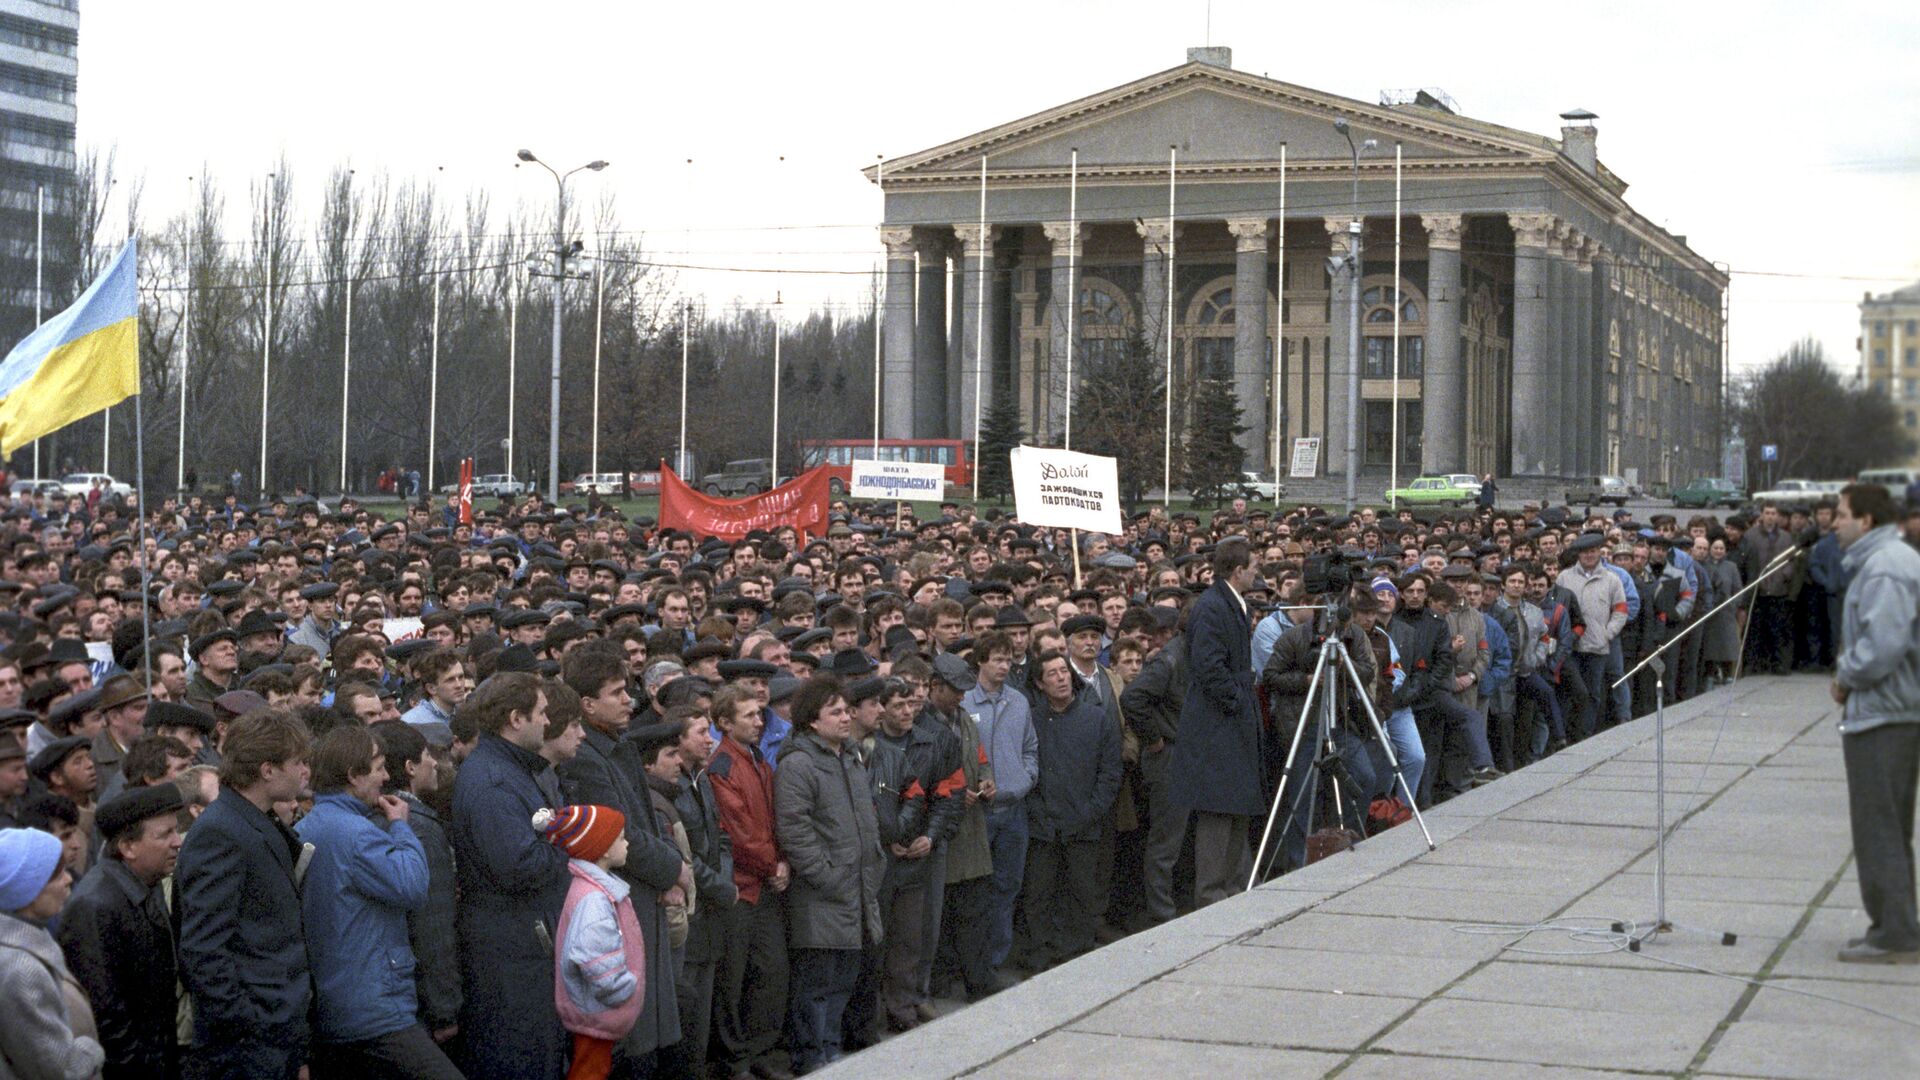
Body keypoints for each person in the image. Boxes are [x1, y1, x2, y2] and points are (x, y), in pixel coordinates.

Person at [556, 643, 691, 1074]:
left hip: (644, 895)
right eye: (617, 692)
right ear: (586, 703)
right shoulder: (587, 759)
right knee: (632, 1045)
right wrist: (675, 868)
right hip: (622, 904)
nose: (628, 700)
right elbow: (620, 833)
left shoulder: (617, 745)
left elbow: (648, 822)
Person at [296, 725, 460, 1078]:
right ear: (354, 775)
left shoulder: (309, 826)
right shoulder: (356, 834)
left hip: (335, 1001)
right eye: (379, 767)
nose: (387, 777)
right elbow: (413, 886)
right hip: (374, 1006)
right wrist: (401, 827)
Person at [174, 709, 312, 1080]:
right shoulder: (220, 832)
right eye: (298, 762)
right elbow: (203, 948)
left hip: (274, 1032)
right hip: (245, 1047)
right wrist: (252, 1022)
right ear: (267, 770)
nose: (305, 772)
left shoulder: (256, 820)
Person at [448, 672, 571, 1080]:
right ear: (516, 719)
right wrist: (569, 847)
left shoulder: (511, 770)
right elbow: (517, 866)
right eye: (541, 713)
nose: (547, 721)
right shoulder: (494, 782)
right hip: (512, 953)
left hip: (523, 942)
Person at [1828, 482, 1920, 964]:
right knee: (1889, 824)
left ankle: (1894, 934)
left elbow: (1882, 646)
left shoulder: (1885, 567)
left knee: (1878, 825)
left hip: (1884, 713)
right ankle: (1896, 922)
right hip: (1895, 711)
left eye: (1841, 514)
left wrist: (1845, 676)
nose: (1834, 522)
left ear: (1866, 520)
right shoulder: (1889, 561)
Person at [773, 676, 883, 1074]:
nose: (844, 717)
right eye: (834, 711)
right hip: (822, 895)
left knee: (843, 982)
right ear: (812, 721)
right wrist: (827, 874)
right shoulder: (799, 763)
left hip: (856, 890)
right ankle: (811, 1058)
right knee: (816, 985)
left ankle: (831, 1052)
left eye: (845, 710)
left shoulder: (849, 756)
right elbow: (794, 828)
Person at [57, 784, 185, 1079]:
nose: (177, 842)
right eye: (164, 835)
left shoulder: (146, 881)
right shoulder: (95, 907)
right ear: (128, 847)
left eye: (175, 831)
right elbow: (108, 1019)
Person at [1169, 538, 1263, 907]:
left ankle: (1233, 888)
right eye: (1253, 567)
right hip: (1218, 724)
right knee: (1219, 809)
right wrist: (1239, 699)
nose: (1257, 573)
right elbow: (1209, 667)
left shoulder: (1232, 604)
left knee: (1237, 806)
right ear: (1237, 571)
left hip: (1232, 721)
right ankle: (1211, 895)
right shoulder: (1212, 607)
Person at [1018, 650, 1121, 969]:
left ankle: (1077, 951)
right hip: (1043, 825)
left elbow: (1110, 772)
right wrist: (1038, 811)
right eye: (1052, 674)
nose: (1061, 678)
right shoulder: (1032, 719)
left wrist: (1090, 811)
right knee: (1039, 894)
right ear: (1039, 682)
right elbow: (1025, 766)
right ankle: (1040, 953)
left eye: (1064, 671)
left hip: (1084, 823)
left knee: (1082, 892)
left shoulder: (1095, 717)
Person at [370, 721, 462, 1049]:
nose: (435, 762)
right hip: (420, 1006)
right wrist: (445, 1010)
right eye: (426, 756)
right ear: (410, 767)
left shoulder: (370, 819)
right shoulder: (420, 829)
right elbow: (432, 924)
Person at [536, 804, 642, 1080]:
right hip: (597, 1012)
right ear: (604, 848)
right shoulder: (594, 900)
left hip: (593, 1010)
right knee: (589, 1072)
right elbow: (595, 958)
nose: (627, 842)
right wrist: (623, 989)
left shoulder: (593, 889)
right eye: (620, 838)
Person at [0, 827, 105, 1079]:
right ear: (28, 891)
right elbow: (60, 1070)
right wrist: (92, 1047)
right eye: (56, 875)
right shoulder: (21, 969)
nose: (68, 879)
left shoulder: (28, 939)